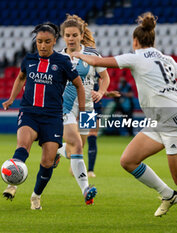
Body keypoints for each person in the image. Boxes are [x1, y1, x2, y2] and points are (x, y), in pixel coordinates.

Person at [72, 12, 177, 225]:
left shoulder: (135, 57)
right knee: (128, 161)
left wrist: (77, 54)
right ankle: (167, 194)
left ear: (135, 41)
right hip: (159, 122)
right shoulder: (166, 58)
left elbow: (98, 61)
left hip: (176, 123)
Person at [1, 22, 89, 210]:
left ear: (54, 42)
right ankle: (12, 183)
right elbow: (21, 77)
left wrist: (82, 109)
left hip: (52, 117)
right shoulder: (29, 59)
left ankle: (36, 196)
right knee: (23, 146)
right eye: (39, 41)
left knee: (47, 161)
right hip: (29, 113)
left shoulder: (63, 62)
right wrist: (11, 99)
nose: (42, 45)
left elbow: (79, 85)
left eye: (47, 42)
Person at [57, 14, 110, 203]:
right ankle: (85, 189)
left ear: (81, 36)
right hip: (65, 108)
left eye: (74, 35)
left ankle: (58, 151)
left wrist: (101, 92)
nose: (70, 39)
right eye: (67, 35)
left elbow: (105, 77)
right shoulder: (58, 58)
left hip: (87, 107)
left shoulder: (93, 55)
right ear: (63, 37)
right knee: (77, 143)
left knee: (79, 145)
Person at [87, 78, 120, 177]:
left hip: (96, 103)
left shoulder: (96, 66)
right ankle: (71, 157)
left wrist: (107, 93)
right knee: (81, 138)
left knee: (92, 135)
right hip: (84, 102)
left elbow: (101, 80)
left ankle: (90, 170)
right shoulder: (80, 65)